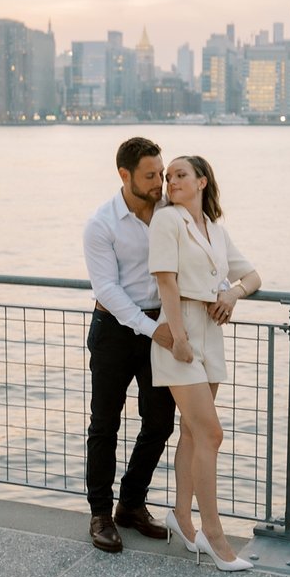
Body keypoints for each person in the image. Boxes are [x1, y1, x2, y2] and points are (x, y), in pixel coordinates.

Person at [148, 155, 261, 572]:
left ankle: (180, 516)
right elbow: (166, 281)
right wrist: (177, 338)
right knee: (211, 433)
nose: (171, 181)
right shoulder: (167, 220)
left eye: (180, 175)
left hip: (212, 333)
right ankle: (214, 536)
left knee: (194, 435)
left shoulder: (215, 230)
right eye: (168, 176)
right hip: (181, 332)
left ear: (202, 181)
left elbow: (252, 276)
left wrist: (232, 294)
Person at [83, 137, 177, 553]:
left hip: (160, 327)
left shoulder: (170, 212)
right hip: (116, 330)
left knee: (160, 422)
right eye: (150, 176)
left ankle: (132, 505)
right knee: (105, 424)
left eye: (161, 173)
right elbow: (107, 287)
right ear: (125, 175)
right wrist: (148, 327)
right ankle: (101, 514)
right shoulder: (101, 224)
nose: (160, 182)